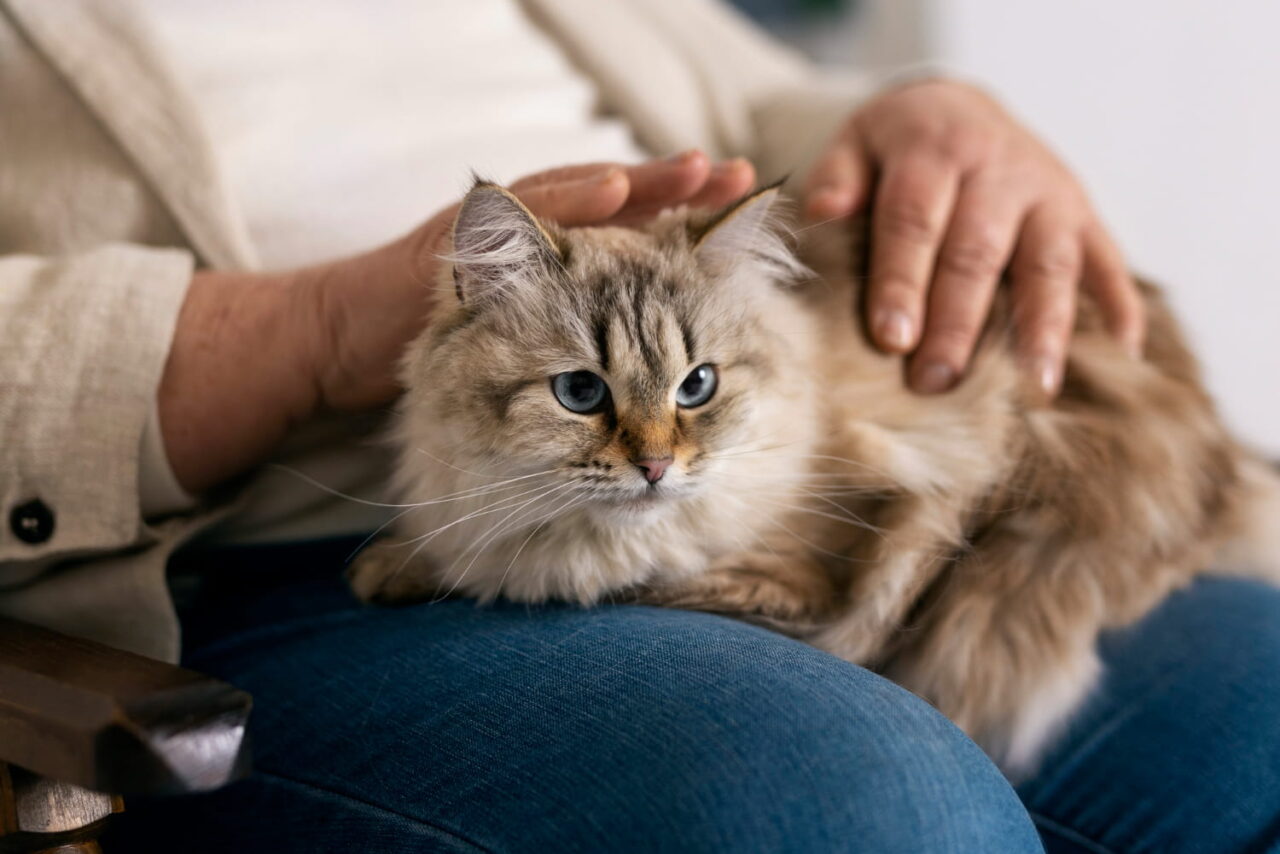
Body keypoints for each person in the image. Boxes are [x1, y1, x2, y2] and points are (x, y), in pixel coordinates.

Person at [0, 1, 1276, 851]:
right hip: (291, 561)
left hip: (741, 417)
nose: (649, 446)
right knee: (861, 801)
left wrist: (922, 116)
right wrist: (311, 327)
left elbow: (769, 105)